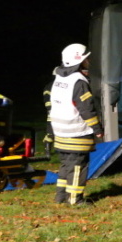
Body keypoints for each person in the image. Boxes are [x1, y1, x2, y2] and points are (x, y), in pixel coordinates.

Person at [44, 43, 103, 205]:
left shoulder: (59, 78)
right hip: (76, 133)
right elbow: (86, 109)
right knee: (78, 166)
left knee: (65, 165)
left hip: (60, 132)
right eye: (86, 59)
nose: (88, 61)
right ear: (79, 61)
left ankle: (61, 196)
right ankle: (75, 200)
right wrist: (97, 129)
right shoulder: (79, 82)